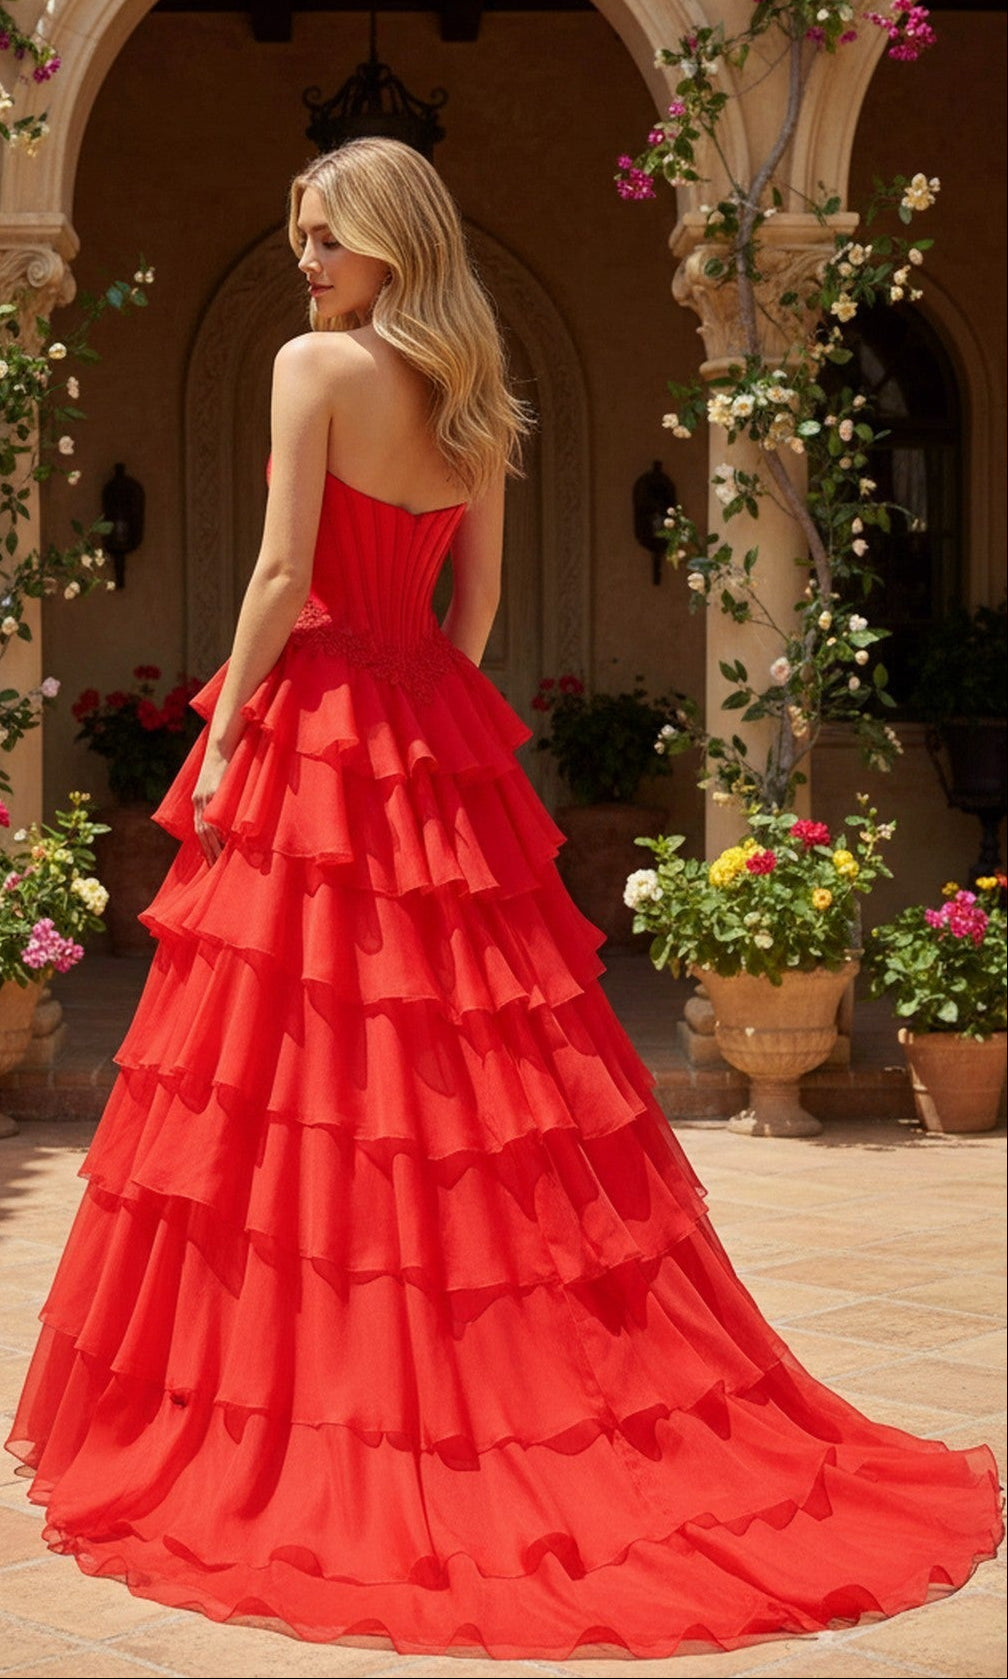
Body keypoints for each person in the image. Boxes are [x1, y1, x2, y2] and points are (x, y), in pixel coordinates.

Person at [6, 137, 1001, 1663]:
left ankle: (305, 1374)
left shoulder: (310, 366)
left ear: (391, 241)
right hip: (423, 733)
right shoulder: (479, 399)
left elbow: (276, 576)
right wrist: (417, 730)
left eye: (325, 236)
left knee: (289, 1054)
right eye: (299, 237)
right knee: (457, 1062)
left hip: (317, 728)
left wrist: (233, 740)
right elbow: (472, 613)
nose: (305, 262)